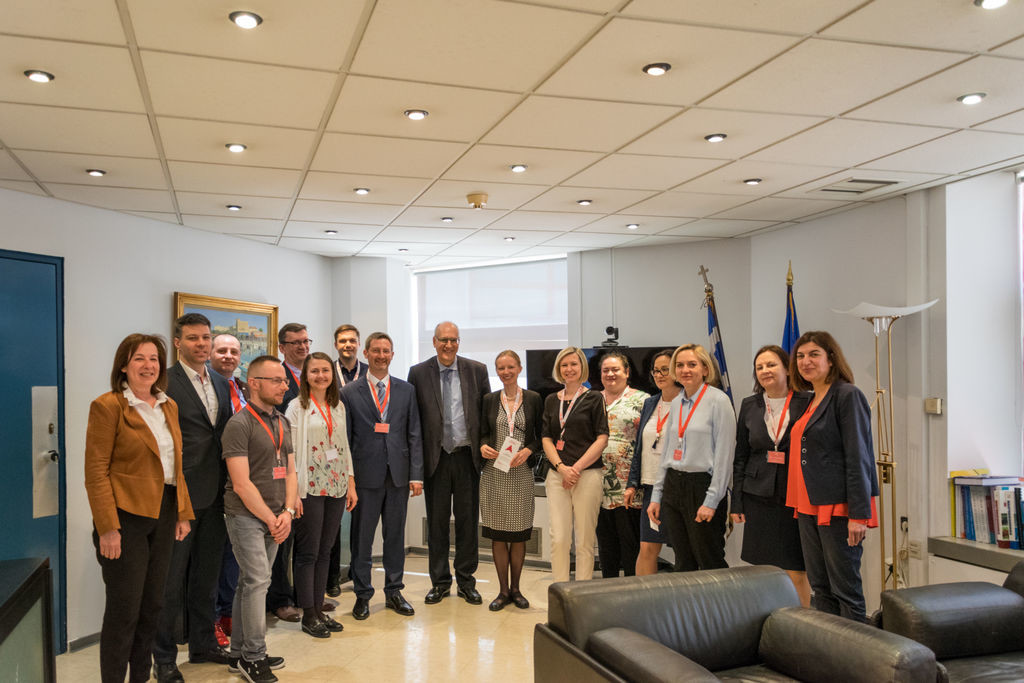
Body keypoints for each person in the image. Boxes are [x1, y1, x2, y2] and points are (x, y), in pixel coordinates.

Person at [85, 334, 193, 683]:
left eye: (154, 359)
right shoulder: (108, 406)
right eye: (139, 359)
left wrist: (182, 512)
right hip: (125, 519)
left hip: (164, 512)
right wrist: (107, 527)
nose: (148, 366)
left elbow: (176, 465)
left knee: (152, 607)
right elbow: (96, 473)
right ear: (123, 366)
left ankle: (140, 678)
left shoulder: (167, 405)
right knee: (124, 611)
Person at [153, 314, 232, 681]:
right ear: (178, 342)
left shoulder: (221, 382)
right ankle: (164, 657)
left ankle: (203, 645)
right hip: (179, 497)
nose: (201, 344)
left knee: (206, 577)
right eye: (193, 338)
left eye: (206, 337)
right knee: (170, 582)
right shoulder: (165, 381)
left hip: (216, 494)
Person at [788, 331, 878, 622]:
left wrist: (859, 514)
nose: (806, 361)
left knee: (845, 590)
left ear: (831, 358)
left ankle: (857, 647)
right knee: (821, 588)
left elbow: (858, 456)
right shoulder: (810, 399)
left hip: (838, 507)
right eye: (801, 356)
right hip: (807, 504)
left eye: (814, 354)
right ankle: (829, 645)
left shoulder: (847, 395)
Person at [221, 355, 297, 683]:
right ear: (254, 383)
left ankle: (238, 652)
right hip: (246, 516)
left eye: (285, 381)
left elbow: (291, 471)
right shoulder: (239, 424)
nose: (284, 386)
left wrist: (288, 512)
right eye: (276, 381)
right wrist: (270, 518)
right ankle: (254, 657)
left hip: (277, 516)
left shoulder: (282, 421)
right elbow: (241, 484)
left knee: (249, 583)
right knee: (257, 581)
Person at [341, 332, 424, 620]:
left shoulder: (406, 390)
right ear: (365, 353)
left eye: (386, 351)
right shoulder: (349, 392)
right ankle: (362, 594)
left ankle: (394, 592)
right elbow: (346, 439)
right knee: (362, 540)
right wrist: (349, 479)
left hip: (398, 476)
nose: (381, 356)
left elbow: (414, 434)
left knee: (395, 538)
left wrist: (416, 475)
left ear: (392, 355)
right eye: (375, 350)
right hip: (365, 477)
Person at [407, 321, 490, 606]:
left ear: (459, 342)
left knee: (467, 523)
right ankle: (440, 582)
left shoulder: (477, 370)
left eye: (454, 340)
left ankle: (466, 582)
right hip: (436, 459)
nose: (449, 345)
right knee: (437, 524)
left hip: (467, 458)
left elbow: (486, 415)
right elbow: (413, 421)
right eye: (443, 340)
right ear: (434, 342)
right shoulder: (418, 373)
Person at [731, 345, 812, 606]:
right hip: (758, 495)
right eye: (760, 367)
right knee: (762, 569)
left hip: (795, 494)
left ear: (787, 368)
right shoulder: (749, 404)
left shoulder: (806, 401)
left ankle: (803, 620)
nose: (765, 370)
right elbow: (741, 455)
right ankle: (766, 619)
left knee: (796, 568)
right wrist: (737, 502)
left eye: (771, 364)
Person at [285, 352, 357, 638]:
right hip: (309, 488)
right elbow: (289, 452)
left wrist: (350, 482)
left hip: (336, 485)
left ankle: (318, 609)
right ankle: (308, 614)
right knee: (308, 552)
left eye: (325, 370)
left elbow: (344, 446)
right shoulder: (296, 407)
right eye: (314, 371)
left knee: (326, 550)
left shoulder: (337, 406)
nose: (320, 376)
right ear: (306, 375)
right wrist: (293, 493)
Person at [648, 344, 735, 571]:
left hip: (702, 486)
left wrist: (711, 501)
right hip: (674, 485)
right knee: (683, 561)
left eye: (692, 364)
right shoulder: (677, 402)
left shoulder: (719, 401)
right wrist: (657, 496)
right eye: (680, 365)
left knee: (709, 560)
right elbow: (667, 453)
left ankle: (719, 598)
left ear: (705, 369)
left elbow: (724, 457)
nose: (685, 370)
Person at [478, 350, 542, 610]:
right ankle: (503, 591)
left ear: (519, 368)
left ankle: (516, 589)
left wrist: (529, 450)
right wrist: (483, 446)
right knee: (498, 535)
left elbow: (541, 435)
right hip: (494, 473)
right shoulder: (489, 399)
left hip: (521, 472)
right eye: (501, 368)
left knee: (518, 535)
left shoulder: (534, 398)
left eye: (510, 367)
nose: (506, 372)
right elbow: (483, 433)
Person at [541, 346, 609, 582]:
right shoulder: (551, 400)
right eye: (564, 365)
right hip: (557, 476)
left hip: (587, 475)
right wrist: (561, 468)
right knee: (559, 538)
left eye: (573, 364)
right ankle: (560, 590)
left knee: (584, 540)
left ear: (582, 367)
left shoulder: (595, 398)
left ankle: (581, 592)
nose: (569, 369)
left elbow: (602, 438)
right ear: (558, 369)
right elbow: (546, 438)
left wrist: (576, 469)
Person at [266, 322, 310, 622]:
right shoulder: (278, 379)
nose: (302, 347)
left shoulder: (315, 376)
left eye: (306, 341)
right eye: (295, 343)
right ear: (282, 347)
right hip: (284, 469)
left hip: (313, 469)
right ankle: (280, 599)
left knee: (307, 541)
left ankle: (305, 595)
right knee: (283, 541)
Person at [623, 350, 678, 575]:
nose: (660, 375)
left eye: (665, 369)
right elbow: (640, 448)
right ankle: (644, 595)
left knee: (684, 550)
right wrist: (632, 483)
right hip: (650, 486)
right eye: (656, 370)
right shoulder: (650, 403)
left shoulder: (687, 403)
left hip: (677, 487)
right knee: (647, 547)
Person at [595, 352, 649, 578]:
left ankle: (631, 591)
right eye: (605, 370)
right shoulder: (592, 400)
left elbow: (648, 441)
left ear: (627, 372)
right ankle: (608, 590)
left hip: (628, 483)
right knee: (606, 544)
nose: (610, 374)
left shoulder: (643, 400)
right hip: (597, 481)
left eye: (615, 369)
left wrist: (636, 481)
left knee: (630, 543)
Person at [210, 334, 247, 648]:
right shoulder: (207, 387)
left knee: (233, 553)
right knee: (212, 555)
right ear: (211, 354)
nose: (228, 356)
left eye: (233, 351)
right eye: (221, 350)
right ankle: (210, 619)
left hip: (243, 481)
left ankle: (227, 613)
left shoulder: (242, 387)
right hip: (213, 480)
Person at [326, 324, 366, 597]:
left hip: (364, 454)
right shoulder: (326, 372)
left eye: (352, 340)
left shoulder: (370, 372)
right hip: (333, 455)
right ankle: (331, 578)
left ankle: (356, 571)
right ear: (336, 345)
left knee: (361, 520)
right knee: (333, 521)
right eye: (342, 341)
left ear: (358, 343)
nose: (347, 345)